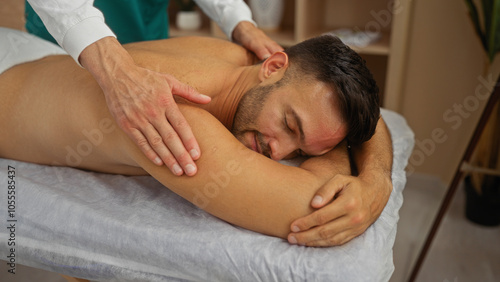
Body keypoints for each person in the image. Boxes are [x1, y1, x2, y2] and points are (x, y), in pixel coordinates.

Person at [0, 32, 393, 247]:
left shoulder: (238, 58)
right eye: (290, 126)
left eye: (303, 152)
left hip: (26, 65)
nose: (281, 153)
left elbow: (372, 122)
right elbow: (313, 203)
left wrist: (376, 179)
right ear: (273, 67)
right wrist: (362, 183)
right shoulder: (172, 118)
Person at [25, 0, 284, 177]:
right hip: (57, 42)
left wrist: (239, 20)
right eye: (289, 123)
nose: (280, 153)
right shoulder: (195, 118)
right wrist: (115, 70)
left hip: (144, 31)